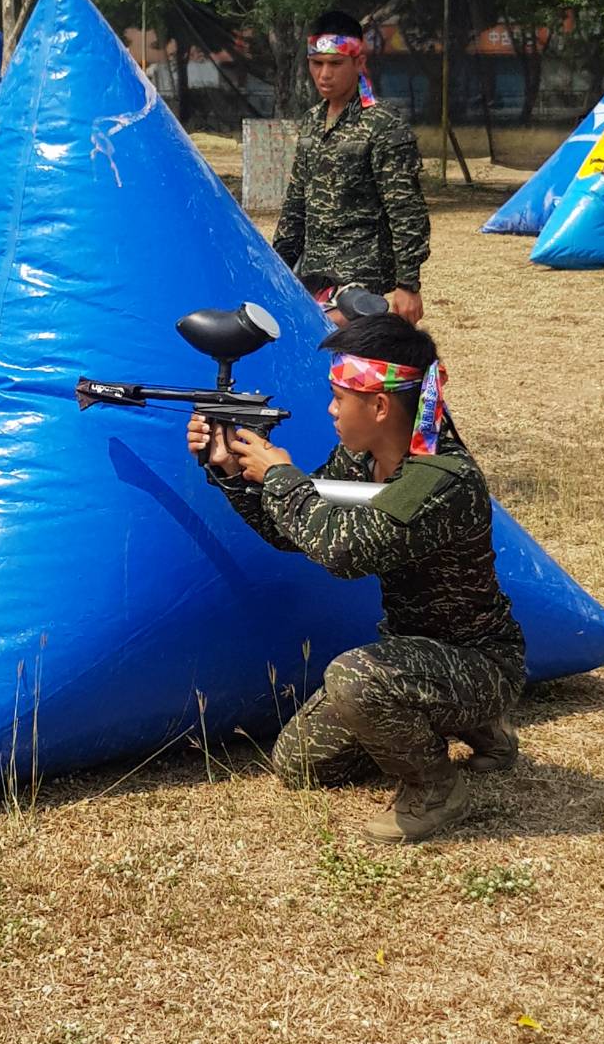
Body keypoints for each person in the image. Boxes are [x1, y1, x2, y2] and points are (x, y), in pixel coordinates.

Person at [186, 313, 524, 845]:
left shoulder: (442, 478)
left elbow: (343, 552)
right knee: (300, 764)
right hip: (415, 656)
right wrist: (229, 470)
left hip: (479, 662)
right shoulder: (359, 458)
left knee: (354, 677)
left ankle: (438, 786)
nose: (331, 409)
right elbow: (297, 531)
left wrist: (280, 475)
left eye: (339, 397)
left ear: (381, 405)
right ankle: (458, 724)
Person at [273, 10, 430, 325]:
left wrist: (408, 285)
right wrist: (275, 269)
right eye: (317, 64)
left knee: (339, 354)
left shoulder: (383, 124)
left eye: (335, 64)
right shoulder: (312, 121)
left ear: (359, 63)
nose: (324, 75)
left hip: (364, 278)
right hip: (314, 273)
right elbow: (296, 203)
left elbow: (406, 211)